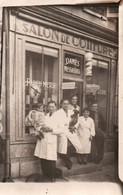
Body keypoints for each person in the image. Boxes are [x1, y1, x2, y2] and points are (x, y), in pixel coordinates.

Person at [34, 100, 63, 182]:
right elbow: (39, 125)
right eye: (49, 106)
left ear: (55, 107)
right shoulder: (45, 115)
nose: (51, 108)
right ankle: (44, 175)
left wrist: (51, 129)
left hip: (51, 139)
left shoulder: (58, 117)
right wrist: (41, 128)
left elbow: (62, 130)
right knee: (43, 158)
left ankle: (52, 176)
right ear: (47, 107)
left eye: (52, 106)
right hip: (43, 139)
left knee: (51, 159)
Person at [57, 99, 82, 169]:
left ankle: (67, 154)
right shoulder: (57, 113)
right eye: (64, 104)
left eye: (67, 104)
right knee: (62, 148)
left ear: (69, 105)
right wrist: (62, 129)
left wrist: (74, 127)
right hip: (61, 132)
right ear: (61, 104)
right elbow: (57, 123)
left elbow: (77, 121)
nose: (66, 105)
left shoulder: (72, 112)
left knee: (77, 145)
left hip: (70, 131)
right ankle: (68, 162)